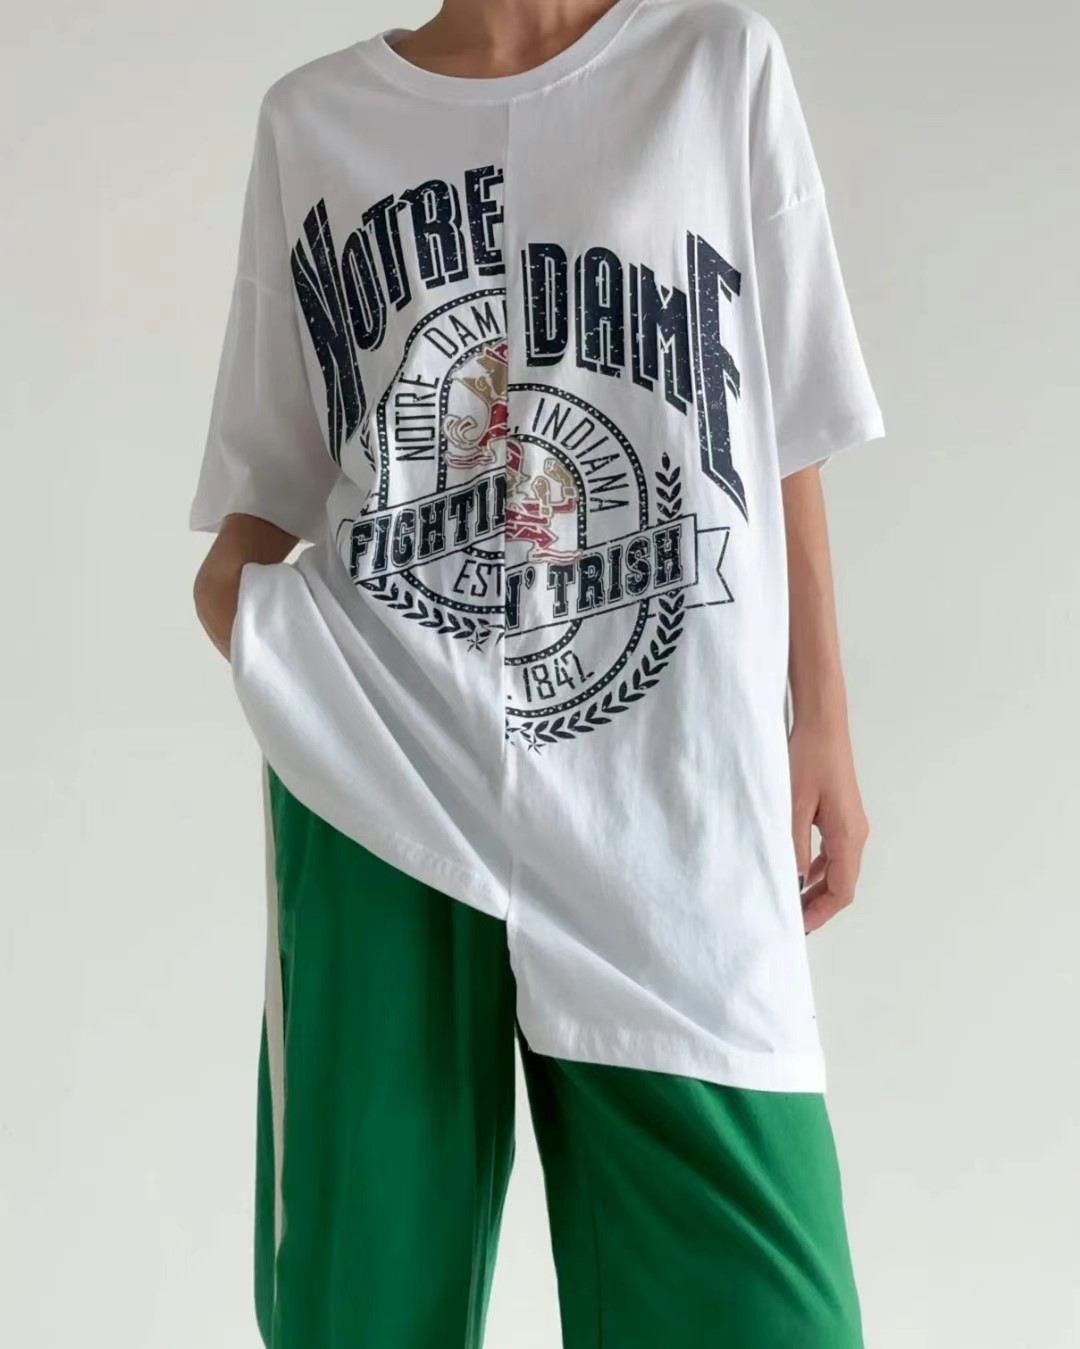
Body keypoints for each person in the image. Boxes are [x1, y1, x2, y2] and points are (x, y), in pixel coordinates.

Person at [190, 1, 885, 1345]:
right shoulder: (316, 120)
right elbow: (265, 484)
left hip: (663, 786)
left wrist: (825, 719)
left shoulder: (714, 64)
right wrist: (265, 638)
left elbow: (787, 407)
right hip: (382, 774)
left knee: (766, 1314)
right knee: (360, 1309)